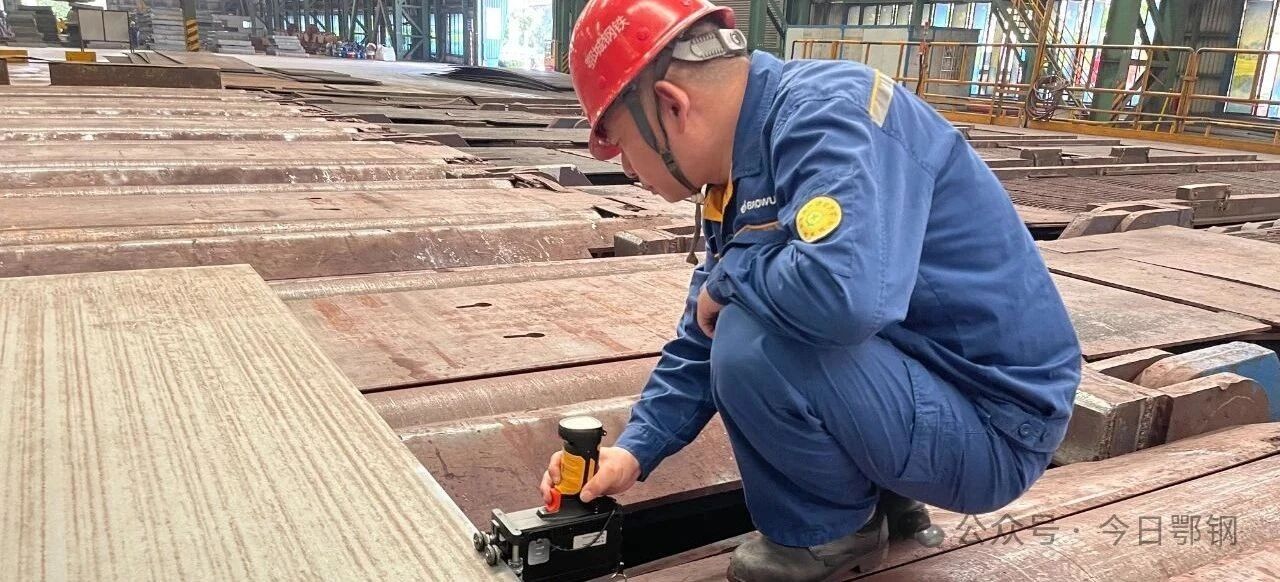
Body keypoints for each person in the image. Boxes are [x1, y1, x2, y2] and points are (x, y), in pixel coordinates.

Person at [539, 1, 1082, 580]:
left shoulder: (827, 118)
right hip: (938, 395)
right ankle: (881, 496)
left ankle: (828, 533)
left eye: (622, 144)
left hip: (994, 427)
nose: (627, 169)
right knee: (749, 313)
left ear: (672, 105)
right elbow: (702, 332)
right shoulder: (745, 167)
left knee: (753, 339)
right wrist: (634, 450)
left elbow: (843, 295)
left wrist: (733, 280)